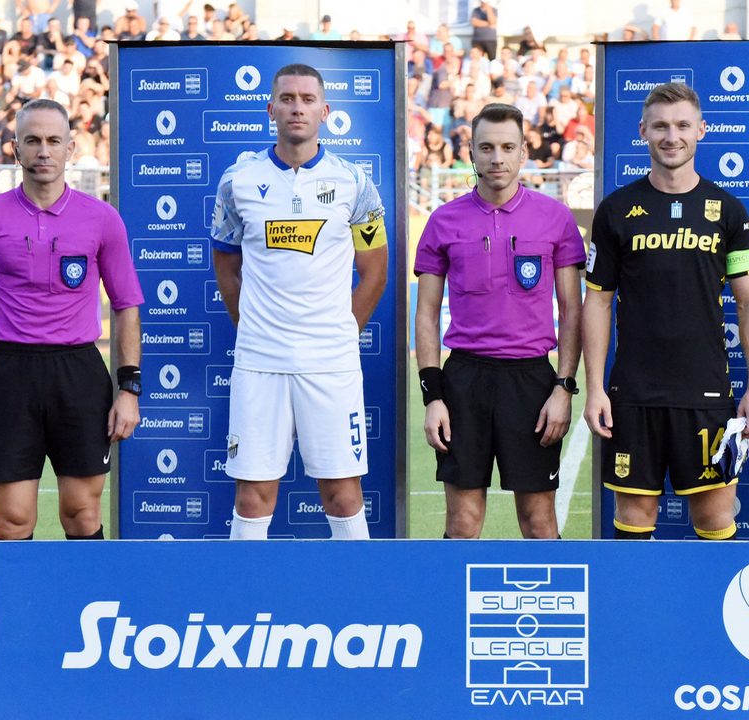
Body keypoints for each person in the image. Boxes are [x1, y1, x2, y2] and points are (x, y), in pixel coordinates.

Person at [0, 98, 143, 694]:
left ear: (71, 149)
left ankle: (98, 652)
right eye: (32, 140)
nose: (43, 151)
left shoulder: (102, 219)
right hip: (11, 375)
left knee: (82, 513)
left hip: (79, 375)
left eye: (54, 141)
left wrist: (128, 388)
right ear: (15, 149)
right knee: (13, 520)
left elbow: (126, 305)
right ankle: (9, 655)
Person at [582, 82, 749, 540]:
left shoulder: (728, 211)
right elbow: (598, 301)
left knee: (715, 520)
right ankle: (634, 595)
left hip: (705, 392)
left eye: (683, 125)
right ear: (642, 131)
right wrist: (594, 388)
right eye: (661, 126)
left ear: (701, 130)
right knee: (634, 520)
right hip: (634, 393)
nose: (672, 136)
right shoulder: (615, 210)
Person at [211, 64, 387, 542]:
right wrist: (251, 326)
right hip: (259, 361)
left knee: (343, 494)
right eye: (287, 98)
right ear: (271, 109)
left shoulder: (355, 182)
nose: (297, 107)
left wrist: (341, 335)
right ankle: (247, 589)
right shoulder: (237, 181)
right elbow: (225, 264)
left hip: (330, 362)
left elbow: (375, 272)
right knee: (252, 497)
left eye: (308, 99)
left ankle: (356, 589)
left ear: (325, 112)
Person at [414, 103, 584, 539]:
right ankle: (451, 591)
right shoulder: (442, 221)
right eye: (486, 147)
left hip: (530, 382)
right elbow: (427, 314)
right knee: (463, 523)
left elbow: (572, 310)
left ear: (524, 152)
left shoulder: (556, 218)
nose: (497, 158)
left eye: (508, 147)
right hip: (464, 381)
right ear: (471, 151)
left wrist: (564, 388)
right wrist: (433, 396)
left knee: (539, 522)